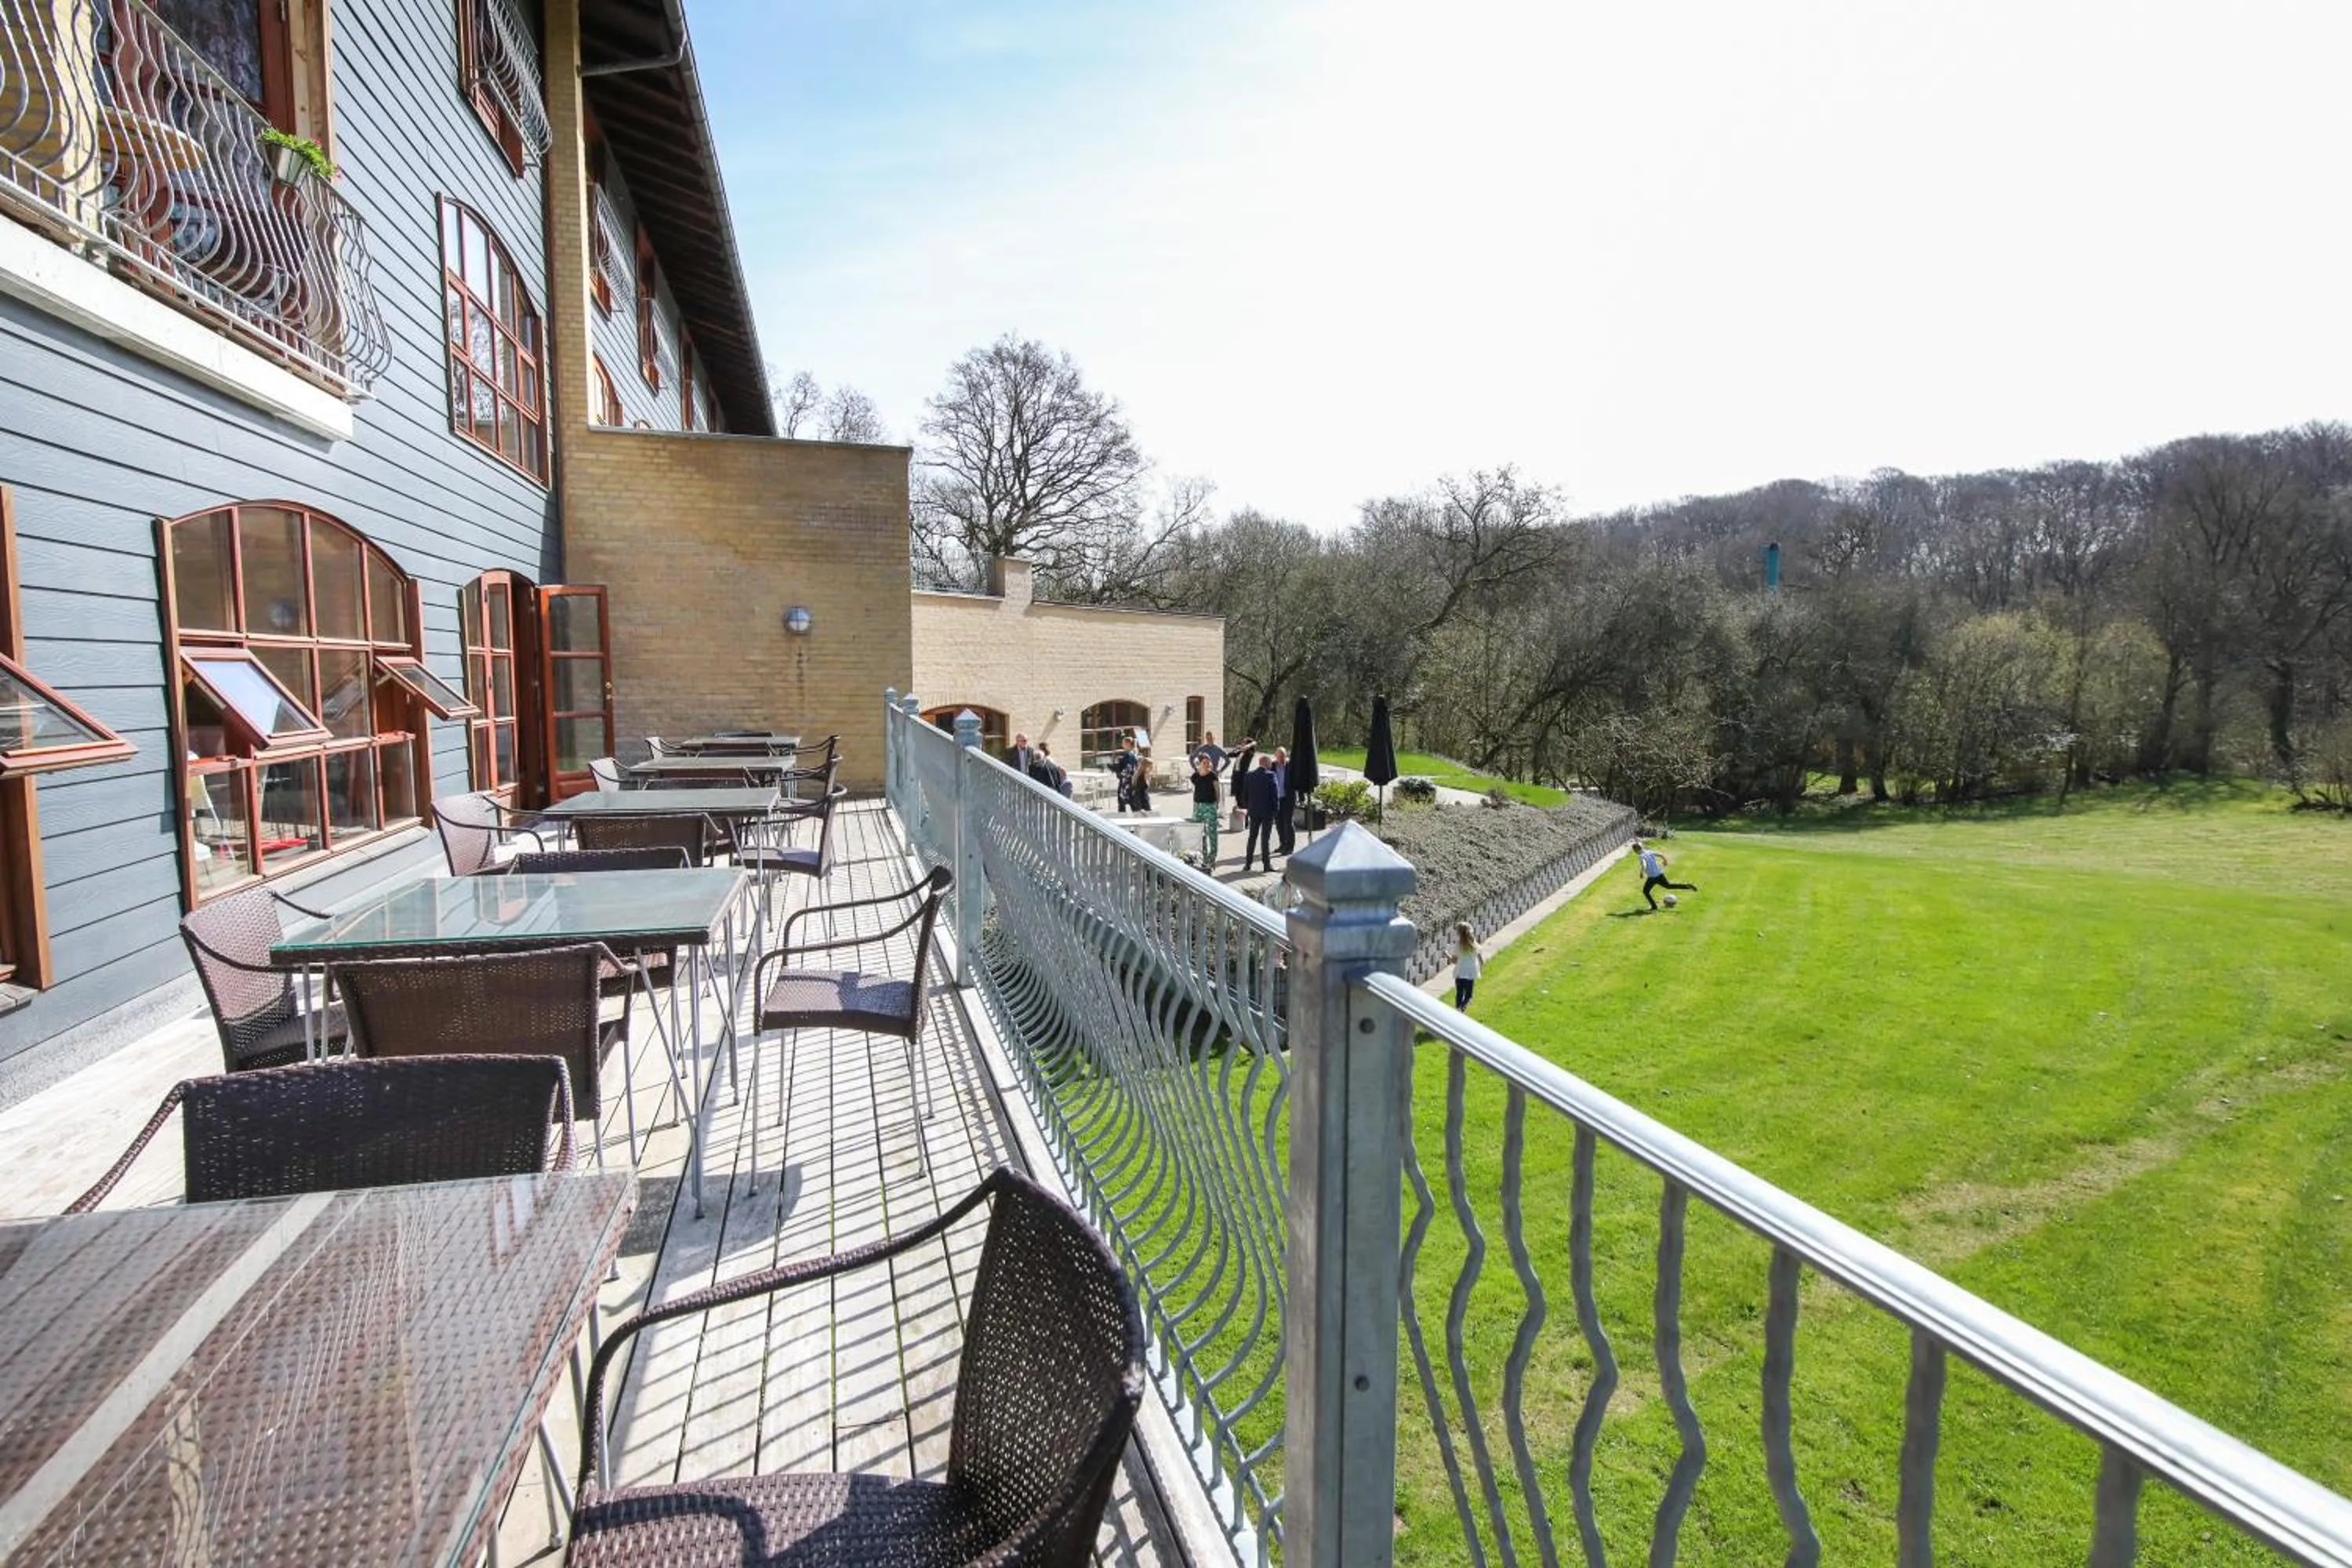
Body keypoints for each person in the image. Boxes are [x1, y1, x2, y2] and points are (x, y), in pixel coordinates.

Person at [1240, 753, 1280, 873]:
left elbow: (1244, 795)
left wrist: (1248, 807)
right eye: (1270, 764)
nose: (1271, 765)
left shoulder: (1249, 775)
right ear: (1267, 763)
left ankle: (1248, 864)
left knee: (1252, 837)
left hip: (1254, 811)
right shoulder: (1271, 775)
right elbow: (1275, 795)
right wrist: (1276, 811)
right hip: (1267, 812)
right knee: (1265, 838)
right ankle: (1266, 865)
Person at [1635, 840, 1697, 909]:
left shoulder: (1641, 856)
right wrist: (1665, 861)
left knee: (1646, 892)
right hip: (1660, 874)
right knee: (1669, 886)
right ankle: (1687, 886)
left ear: (1635, 851)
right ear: (1642, 847)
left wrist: (1642, 872)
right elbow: (1661, 855)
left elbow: (1644, 864)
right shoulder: (1648, 851)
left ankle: (1654, 906)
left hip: (1652, 877)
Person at [1189, 753, 1223, 867]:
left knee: (1212, 833)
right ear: (1200, 763)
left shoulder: (1213, 776)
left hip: (1210, 806)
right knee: (1200, 833)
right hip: (1199, 806)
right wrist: (1194, 809)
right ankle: (1202, 858)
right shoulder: (1195, 776)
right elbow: (1195, 791)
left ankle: (1212, 858)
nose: (1207, 764)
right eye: (1205, 762)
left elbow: (1218, 792)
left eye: (1209, 762)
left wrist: (1217, 805)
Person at [1272, 746, 1296, 855]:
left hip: (1288, 798)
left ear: (1286, 756)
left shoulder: (1291, 766)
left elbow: (1296, 781)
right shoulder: (1272, 766)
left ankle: (1290, 846)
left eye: (1283, 756)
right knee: (1279, 823)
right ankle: (1283, 844)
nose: (1281, 758)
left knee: (1288, 822)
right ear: (1275, 756)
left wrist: (1301, 796)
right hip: (1277, 798)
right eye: (1279, 756)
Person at [1454, 922, 1481, 1010]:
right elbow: (1480, 957)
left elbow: (1454, 960)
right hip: (1470, 973)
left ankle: (1458, 1009)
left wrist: (1446, 954)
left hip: (1460, 971)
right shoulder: (1473, 943)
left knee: (1459, 993)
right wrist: (1480, 967)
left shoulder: (1458, 944)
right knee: (1468, 996)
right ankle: (1462, 1007)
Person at [1111, 734, 1142, 812]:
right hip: (1132, 781)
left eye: (1123, 743)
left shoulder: (1128, 755)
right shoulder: (1134, 753)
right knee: (1132, 802)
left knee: (1123, 801)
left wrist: (1118, 771)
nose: (1122, 745)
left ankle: (1122, 819)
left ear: (1127, 744)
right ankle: (1137, 818)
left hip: (1126, 782)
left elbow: (1128, 769)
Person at [1128, 746, 1153, 813]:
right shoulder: (1142, 776)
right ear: (1146, 767)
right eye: (1150, 767)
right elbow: (1141, 790)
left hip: (1139, 800)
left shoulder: (1139, 774)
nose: (1151, 769)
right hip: (1142, 801)